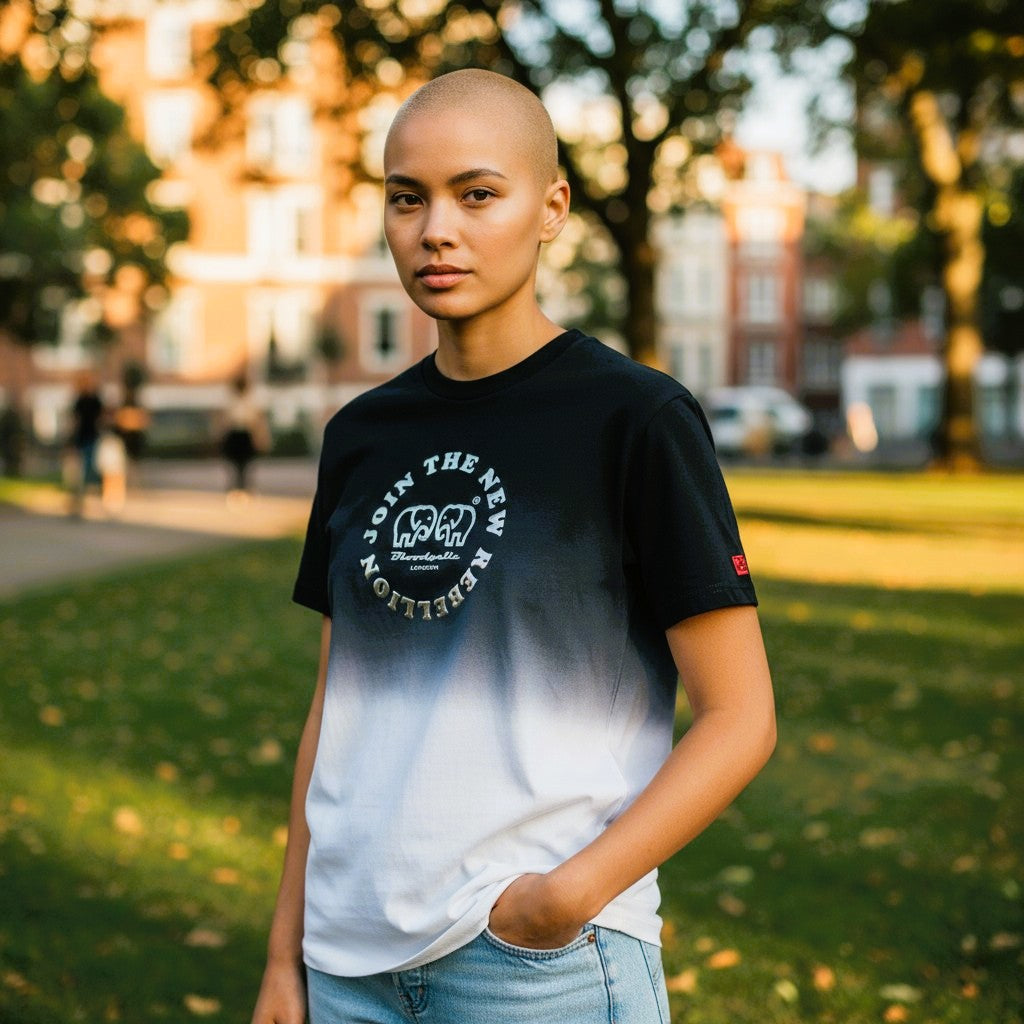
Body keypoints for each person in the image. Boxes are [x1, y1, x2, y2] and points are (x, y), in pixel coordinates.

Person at [252, 69, 776, 1024]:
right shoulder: (361, 433)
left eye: (477, 193)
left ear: (551, 206)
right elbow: (336, 709)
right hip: (344, 962)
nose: (435, 228)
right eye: (406, 198)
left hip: (536, 969)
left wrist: (564, 900)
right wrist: (286, 955)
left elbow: (741, 717)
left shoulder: (636, 418)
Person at [220, 375, 267, 501]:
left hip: (245, 435)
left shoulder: (250, 401)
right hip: (235, 434)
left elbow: (256, 422)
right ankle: (236, 489)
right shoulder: (231, 401)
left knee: (246, 465)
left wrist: (259, 437)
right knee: (235, 465)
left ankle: (245, 489)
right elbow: (225, 421)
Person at [67, 372, 104, 515]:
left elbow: (102, 418)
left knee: (90, 467)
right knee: (81, 469)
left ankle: (88, 494)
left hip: (92, 437)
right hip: (82, 438)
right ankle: (82, 497)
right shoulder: (80, 400)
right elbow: (74, 420)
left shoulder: (95, 399)